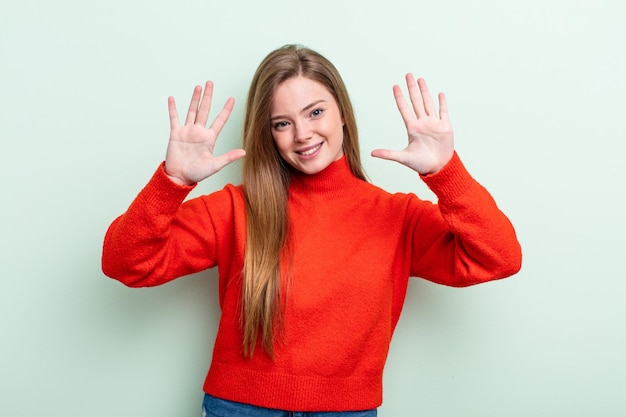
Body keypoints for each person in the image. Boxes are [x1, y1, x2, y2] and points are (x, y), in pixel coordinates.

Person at [102, 44, 522, 416]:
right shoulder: (235, 208)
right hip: (240, 408)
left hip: (348, 411)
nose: (302, 134)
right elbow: (125, 264)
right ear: (268, 134)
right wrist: (171, 182)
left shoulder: (396, 217)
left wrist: (445, 174)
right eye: (281, 123)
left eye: (315, 112)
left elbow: (499, 258)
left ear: (342, 112)